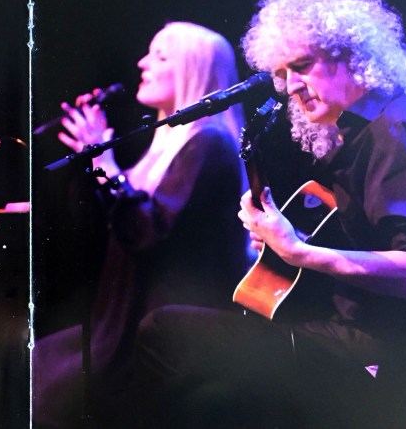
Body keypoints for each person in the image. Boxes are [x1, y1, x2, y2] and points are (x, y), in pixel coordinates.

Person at [135, 0, 406, 428]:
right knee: (211, 396)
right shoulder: (359, 132)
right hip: (350, 336)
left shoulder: (397, 128)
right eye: (282, 73)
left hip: (385, 350)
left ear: (354, 55)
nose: (290, 87)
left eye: (303, 65)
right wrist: (285, 237)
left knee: (163, 330)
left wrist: (299, 252)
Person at [33, 22, 250, 428]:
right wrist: (90, 163)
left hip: (155, 334)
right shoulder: (167, 147)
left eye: (161, 56)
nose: (142, 63)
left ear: (193, 70)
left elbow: (144, 230)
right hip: (121, 320)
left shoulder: (210, 144)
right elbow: (108, 227)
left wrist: (104, 164)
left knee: (51, 389)